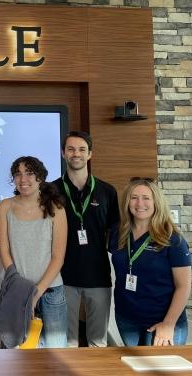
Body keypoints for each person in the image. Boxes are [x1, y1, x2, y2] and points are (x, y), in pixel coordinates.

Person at [52, 131, 119, 347]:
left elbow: (116, 231)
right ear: (63, 153)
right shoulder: (50, 191)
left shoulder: (107, 191)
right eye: (70, 149)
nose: (76, 154)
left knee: (98, 342)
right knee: (66, 343)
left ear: (90, 154)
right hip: (62, 277)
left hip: (98, 276)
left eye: (82, 149)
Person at [109, 178, 191, 346]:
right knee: (136, 369)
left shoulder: (172, 238)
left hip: (162, 321)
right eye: (134, 197)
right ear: (127, 201)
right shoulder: (118, 232)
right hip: (127, 319)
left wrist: (168, 323)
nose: (140, 203)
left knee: (161, 371)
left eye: (146, 198)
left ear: (156, 202)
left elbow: (184, 286)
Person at [0, 156, 68, 348]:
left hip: (51, 292)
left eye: (29, 173)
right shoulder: (5, 206)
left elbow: (58, 257)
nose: (23, 179)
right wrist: (23, 292)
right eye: (18, 174)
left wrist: (35, 295)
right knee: (13, 355)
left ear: (40, 177)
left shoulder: (56, 209)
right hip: (15, 291)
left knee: (55, 357)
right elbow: (4, 250)